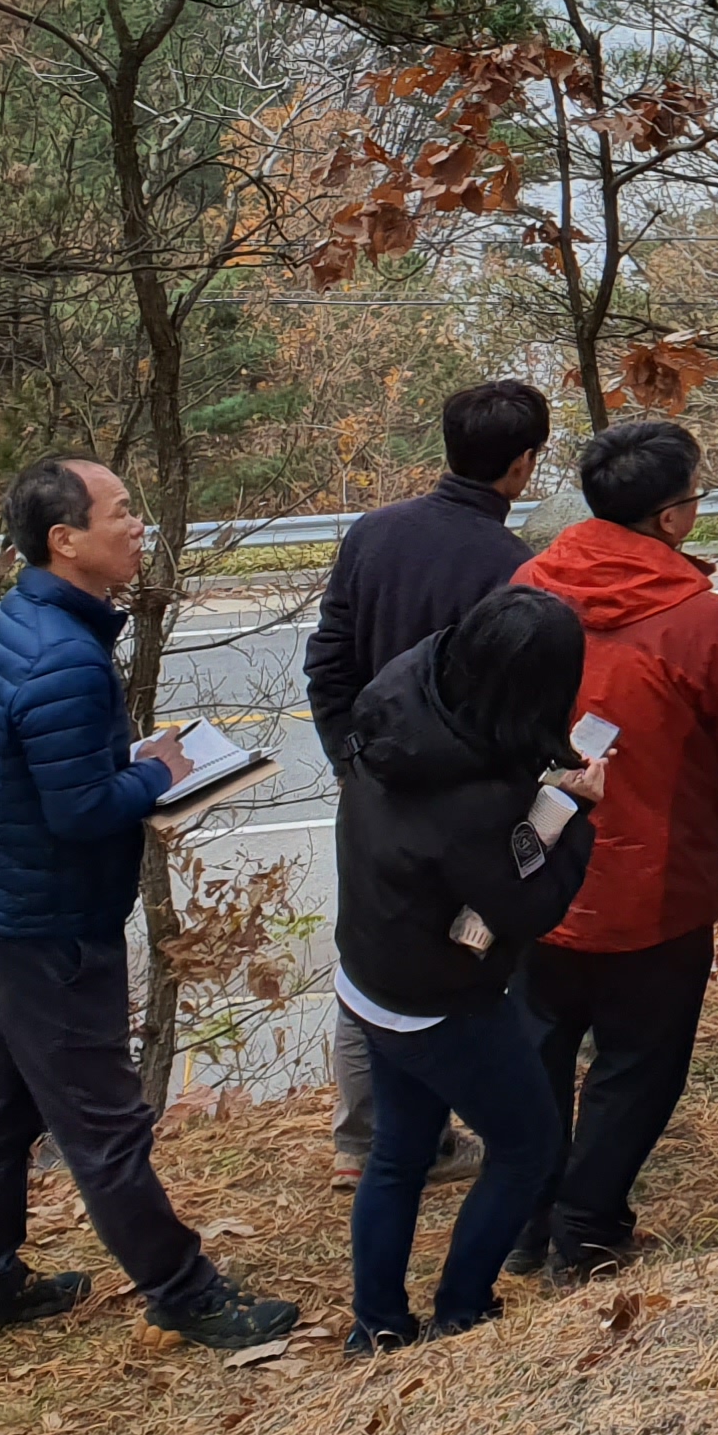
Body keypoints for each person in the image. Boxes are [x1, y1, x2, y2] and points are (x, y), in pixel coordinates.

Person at [0, 457, 298, 1356]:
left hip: (10, 907)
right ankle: (185, 1293)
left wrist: (122, 767)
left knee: (0, 1108)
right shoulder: (64, 657)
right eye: (121, 512)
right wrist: (154, 774)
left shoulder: (24, 621)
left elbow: (43, 775)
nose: (139, 526)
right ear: (66, 540)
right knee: (104, 1129)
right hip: (54, 926)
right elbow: (79, 809)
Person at [508, 416, 718, 1276]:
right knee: (640, 1063)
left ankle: (526, 1218)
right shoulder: (697, 620)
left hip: (533, 865)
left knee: (539, 1046)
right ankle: (586, 1227)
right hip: (655, 875)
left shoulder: (526, 588)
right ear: (670, 519)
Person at [332, 585, 599, 1351]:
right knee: (527, 1148)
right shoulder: (474, 806)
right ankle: (462, 1307)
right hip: (441, 1004)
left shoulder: (405, 688)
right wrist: (580, 811)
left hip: (370, 973)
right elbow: (532, 905)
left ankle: (377, 1325)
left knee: (399, 1154)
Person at [304, 377, 550, 1187]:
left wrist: (351, 759)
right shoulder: (514, 569)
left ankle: (364, 1136)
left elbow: (328, 661)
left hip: (374, 785)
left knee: (370, 955)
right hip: (464, 800)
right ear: (522, 466)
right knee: (469, 952)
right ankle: (468, 1120)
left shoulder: (372, 534)